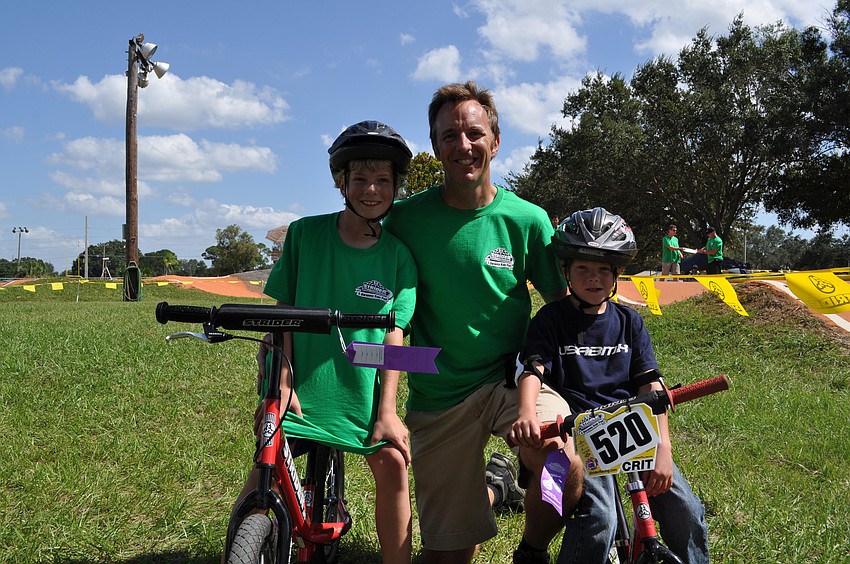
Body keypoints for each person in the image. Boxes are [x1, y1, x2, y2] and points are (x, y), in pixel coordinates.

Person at [383, 81, 581, 564]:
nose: (463, 145)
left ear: (495, 141)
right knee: (450, 555)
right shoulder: (405, 220)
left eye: (474, 133)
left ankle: (532, 547)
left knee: (562, 464)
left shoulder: (528, 220)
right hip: (439, 395)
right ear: (434, 146)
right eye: (449, 136)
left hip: (512, 383)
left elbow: (560, 306)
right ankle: (497, 488)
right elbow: (387, 311)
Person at [233, 120, 416, 563]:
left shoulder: (398, 256)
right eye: (360, 179)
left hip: (361, 393)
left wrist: (387, 411)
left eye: (382, 181)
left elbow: (395, 336)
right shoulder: (303, 235)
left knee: (392, 465)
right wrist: (281, 385)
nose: (371, 190)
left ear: (395, 186)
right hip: (296, 383)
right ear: (341, 182)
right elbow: (284, 313)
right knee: (264, 469)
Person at [508, 207, 710, 564]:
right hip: (585, 435)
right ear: (565, 270)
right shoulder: (551, 320)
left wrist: (664, 449)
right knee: (599, 518)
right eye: (583, 268)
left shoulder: (629, 322)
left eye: (604, 269)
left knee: (686, 509)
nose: (594, 278)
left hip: (636, 432)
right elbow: (532, 370)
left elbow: (653, 387)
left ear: (617, 273)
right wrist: (525, 412)